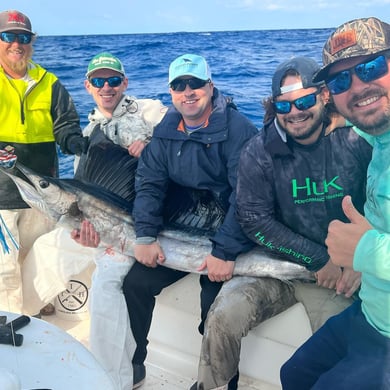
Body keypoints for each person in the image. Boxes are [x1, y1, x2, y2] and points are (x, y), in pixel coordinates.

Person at [192, 56, 372, 390]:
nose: (295, 112)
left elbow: (378, 202)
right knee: (221, 316)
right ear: (273, 108)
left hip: (339, 274)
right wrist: (319, 259)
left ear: (323, 96)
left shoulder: (356, 139)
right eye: (283, 106)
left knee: (349, 359)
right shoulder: (259, 151)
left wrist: (360, 260)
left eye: (304, 101)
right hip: (275, 267)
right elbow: (252, 217)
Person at [21, 52, 167, 389]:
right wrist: (80, 234)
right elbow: (79, 203)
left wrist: (152, 147)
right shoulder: (88, 134)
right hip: (96, 229)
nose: (107, 87)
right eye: (98, 81)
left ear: (124, 83)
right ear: (88, 86)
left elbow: (182, 141)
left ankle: (116, 378)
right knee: (44, 250)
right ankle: (25, 325)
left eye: (113, 80)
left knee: (105, 284)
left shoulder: (150, 112)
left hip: (140, 227)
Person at [122, 53, 258, 389]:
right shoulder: (165, 131)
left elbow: (248, 197)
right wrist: (145, 235)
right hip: (186, 230)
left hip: (230, 232)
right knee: (135, 284)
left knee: (215, 306)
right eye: (180, 85)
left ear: (210, 87)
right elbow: (150, 186)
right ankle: (135, 365)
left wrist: (225, 250)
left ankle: (221, 382)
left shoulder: (238, 130)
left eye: (196, 83)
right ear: (171, 93)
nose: (189, 91)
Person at [280, 17, 390, 389]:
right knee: (292, 374)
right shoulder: (379, 136)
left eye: (372, 66)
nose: (358, 86)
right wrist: (335, 120)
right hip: (371, 315)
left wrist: (365, 251)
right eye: (342, 80)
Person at [0, 9, 87, 314]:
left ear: (32, 42)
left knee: (40, 257)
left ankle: (37, 313)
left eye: (24, 37)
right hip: (3, 195)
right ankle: (10, 327)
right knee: (5, 270)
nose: (16, 44)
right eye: (8, 36)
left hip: (43, 193)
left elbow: (65, 124)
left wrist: (73, 141)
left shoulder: (48, 82)